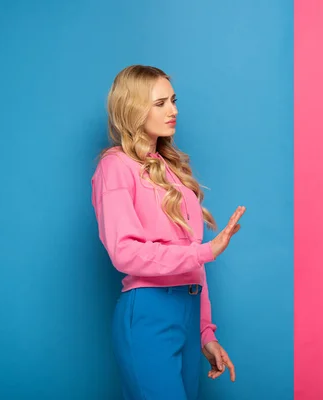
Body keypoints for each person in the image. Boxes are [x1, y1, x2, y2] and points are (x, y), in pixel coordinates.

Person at [91, 65, 246, 399]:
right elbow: (125, 252)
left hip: (187, 314)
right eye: (160, 103)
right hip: (149, 312)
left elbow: (192, 259)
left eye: (173, 101)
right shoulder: (115, 166)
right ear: (132, 108)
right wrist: (207, 250)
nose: (173, 111)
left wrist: (206, 333)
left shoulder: (171, 170)